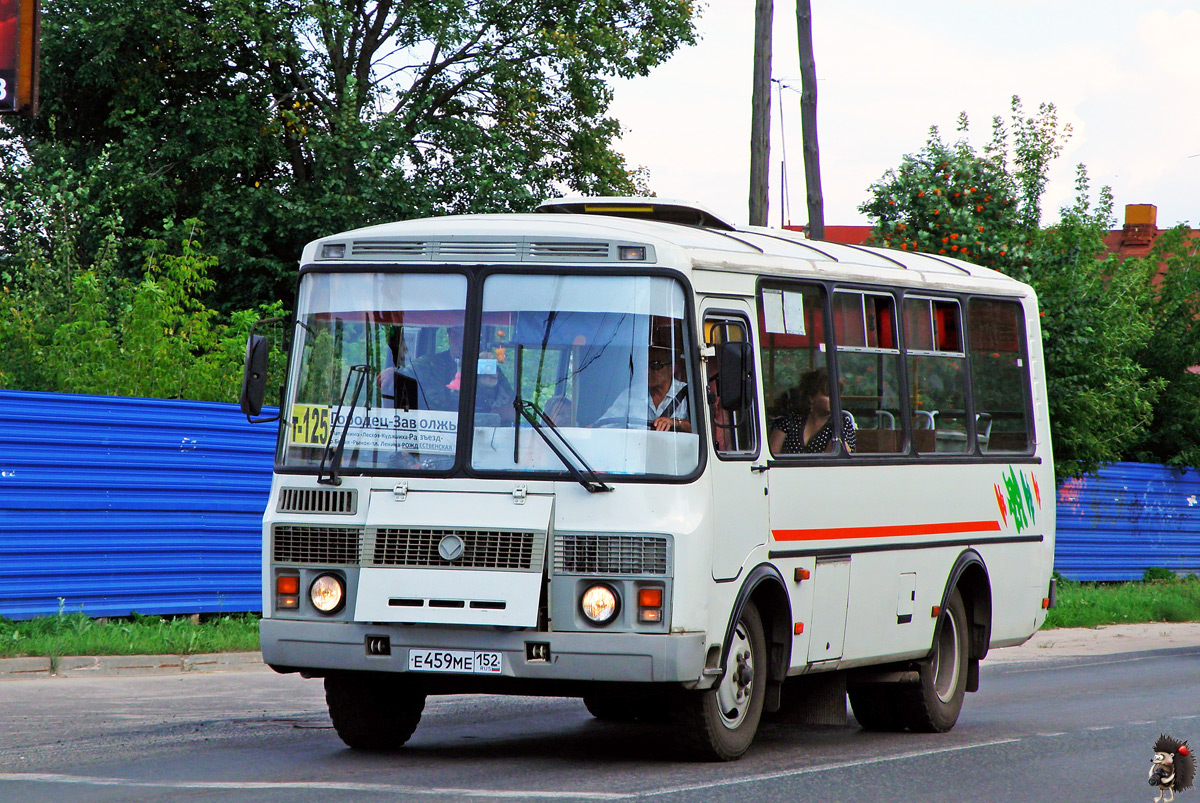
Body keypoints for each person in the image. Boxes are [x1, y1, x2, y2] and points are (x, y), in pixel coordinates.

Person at [598, 346, 691, 432]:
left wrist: (676, 423)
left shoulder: (688, 393)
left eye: (656, 365)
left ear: (672, 368)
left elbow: (702, 430)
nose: (648, 371)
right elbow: (605, 424)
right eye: (645, 365)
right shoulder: (631, 395)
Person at [769, 368, 855, 454]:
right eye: (829, 395)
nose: (835, 399)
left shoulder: (842, 422)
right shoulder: (789, 420)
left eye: (838, 394)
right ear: (811, 397)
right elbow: (772, 454)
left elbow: (840, 455)